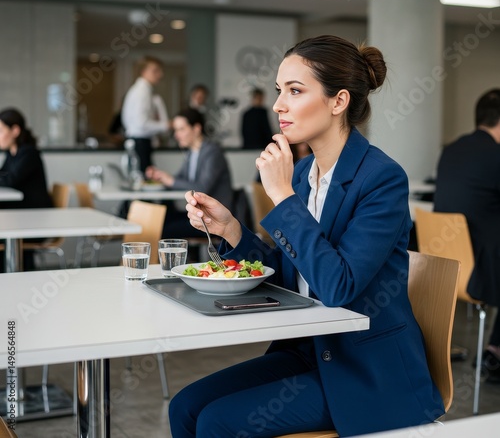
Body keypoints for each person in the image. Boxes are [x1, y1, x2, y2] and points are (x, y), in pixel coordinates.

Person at [169, 35, 444, 437]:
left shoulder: (381, 179)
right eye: (280, 90)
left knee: (217, 421)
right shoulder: (302, 174)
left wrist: (281, 196)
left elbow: (337, 285)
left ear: (338, 102)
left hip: (366, 372)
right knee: (186, 407)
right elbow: (285, 278)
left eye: (295, 91)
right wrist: (230, 228)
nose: (279, 104)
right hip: (310, 350)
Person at [434, 88, 500, 381]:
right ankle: (495, 351)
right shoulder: (495, 154)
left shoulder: (453, 149)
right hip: (480, 272)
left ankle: (495, 351)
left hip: (447, 268)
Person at [145, 108, 232, 239]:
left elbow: (203, 187)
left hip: (212, 219)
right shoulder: (191, 152)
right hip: (199, 215)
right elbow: (181, 178)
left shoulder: (212, 152)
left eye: (181, 129)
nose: (176, 135)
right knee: (160, 219)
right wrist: (161, 176)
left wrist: (171, 181)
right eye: (176, 130)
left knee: (162, 229)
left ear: (196, 129)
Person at [0, 108, 53, 271]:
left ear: (15, 130)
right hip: (20, 217)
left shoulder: (29, 153)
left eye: (1, 131)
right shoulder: (12, 154)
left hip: (34, 221)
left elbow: (10, 180)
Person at [120, 56, 170, 172]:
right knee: (144, 180)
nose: (160, 75)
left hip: (138, 141)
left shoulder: (140, 90)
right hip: (140, 143)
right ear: (143, 71)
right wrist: (165, 125)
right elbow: (141, 123)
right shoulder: (142, 92)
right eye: (155, 71)